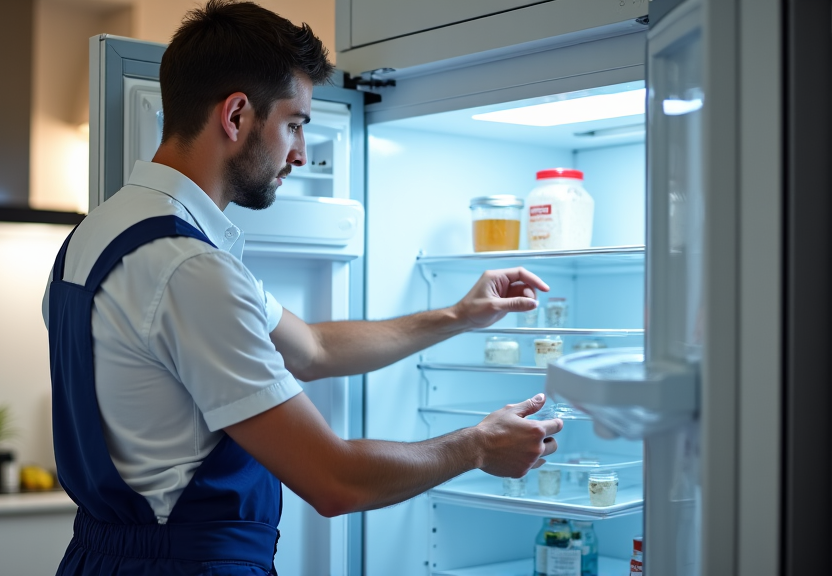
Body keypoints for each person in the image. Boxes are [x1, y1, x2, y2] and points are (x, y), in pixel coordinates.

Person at [43, 1, 563, 574]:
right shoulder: (190, 270)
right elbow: (334, 480)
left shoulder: (96, 235)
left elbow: (313, 348)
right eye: (294, 123)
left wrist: (458, 316)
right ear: (236, 114)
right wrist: (480, 445)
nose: (300, 153)